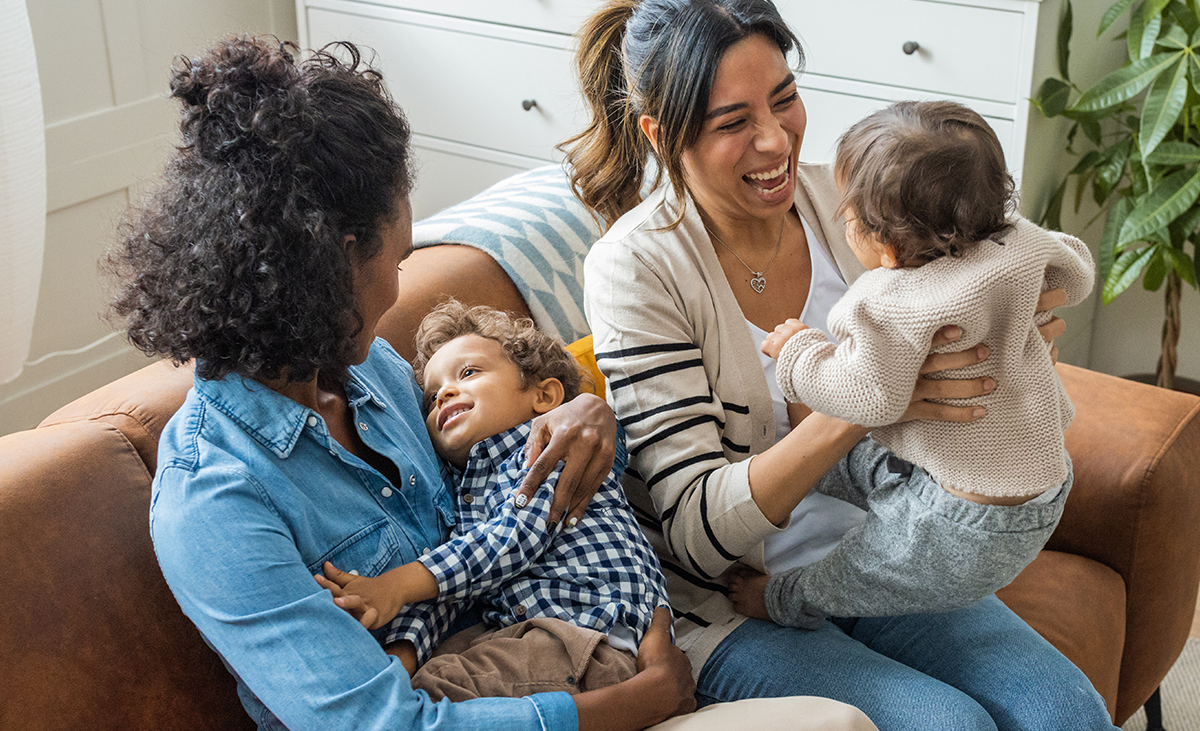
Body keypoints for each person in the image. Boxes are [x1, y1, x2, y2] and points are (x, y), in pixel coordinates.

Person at [105, 35, 697, 731]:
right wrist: (638, 700)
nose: (396, 288)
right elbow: (386, 724)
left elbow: (499, 461)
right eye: (399, 256)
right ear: (339, 264)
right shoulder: (215, 498)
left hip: (572, 643)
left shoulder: (374, 372)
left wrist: (586, 413)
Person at [565, 1, 1119, 729]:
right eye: (733, 123)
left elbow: (1002, 274)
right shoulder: (634, 269)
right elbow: (696, 534)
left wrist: (1021, 322)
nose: (775, 140)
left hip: (885, 543)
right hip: (728, 597)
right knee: (948, 725)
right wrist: (867, 404)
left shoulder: (861, 198)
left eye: (785, 98)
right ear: (662, 136)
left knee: (1066, 713)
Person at [723, 100, 1095, 629]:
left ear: (890, 249)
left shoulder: (890, 300)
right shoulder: (1020, 244)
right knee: (879, 462)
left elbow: (868, 396)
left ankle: (781, 599)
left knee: (864, 571)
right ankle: (824, 469)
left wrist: (800, 353)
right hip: (1044, 487)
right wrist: (1028, 310)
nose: (843, 223)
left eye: (849, 218)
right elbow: (1077, 272)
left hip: (958, 522)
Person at [315, 300, 672, 702]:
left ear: (544, 396)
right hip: (539, 636)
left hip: (595, 634)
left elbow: (512, 540)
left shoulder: (550, 447)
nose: (444, 393)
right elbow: (456, 585)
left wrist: (395, 585)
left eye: (468, 372)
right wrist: (404, 652)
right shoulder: (466, 494)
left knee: (437, 691)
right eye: (430, 399)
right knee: (419, 680)